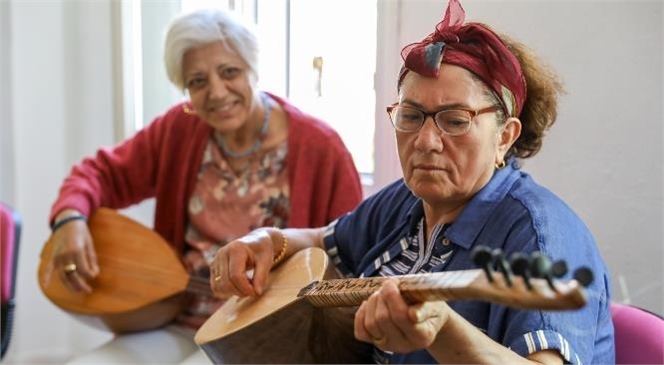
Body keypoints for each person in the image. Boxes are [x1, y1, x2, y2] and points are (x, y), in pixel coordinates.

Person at [210, 0, 615, 363]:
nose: (425, 141)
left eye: (455, 121)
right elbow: (322, 241)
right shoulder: (404, 202)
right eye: (410, 116)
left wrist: (442, 328)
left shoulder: (540, 234)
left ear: (505, 136)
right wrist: (265, 241)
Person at [44, 7, 362, 364]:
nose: (217, 92)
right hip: (177, 320)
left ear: (253, 70)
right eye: (197, 81)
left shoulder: (321, 147)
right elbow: (98, 173)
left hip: (264, 333)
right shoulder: (177, 130)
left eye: (230, 72)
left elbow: (350, 250)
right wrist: (69, 220)